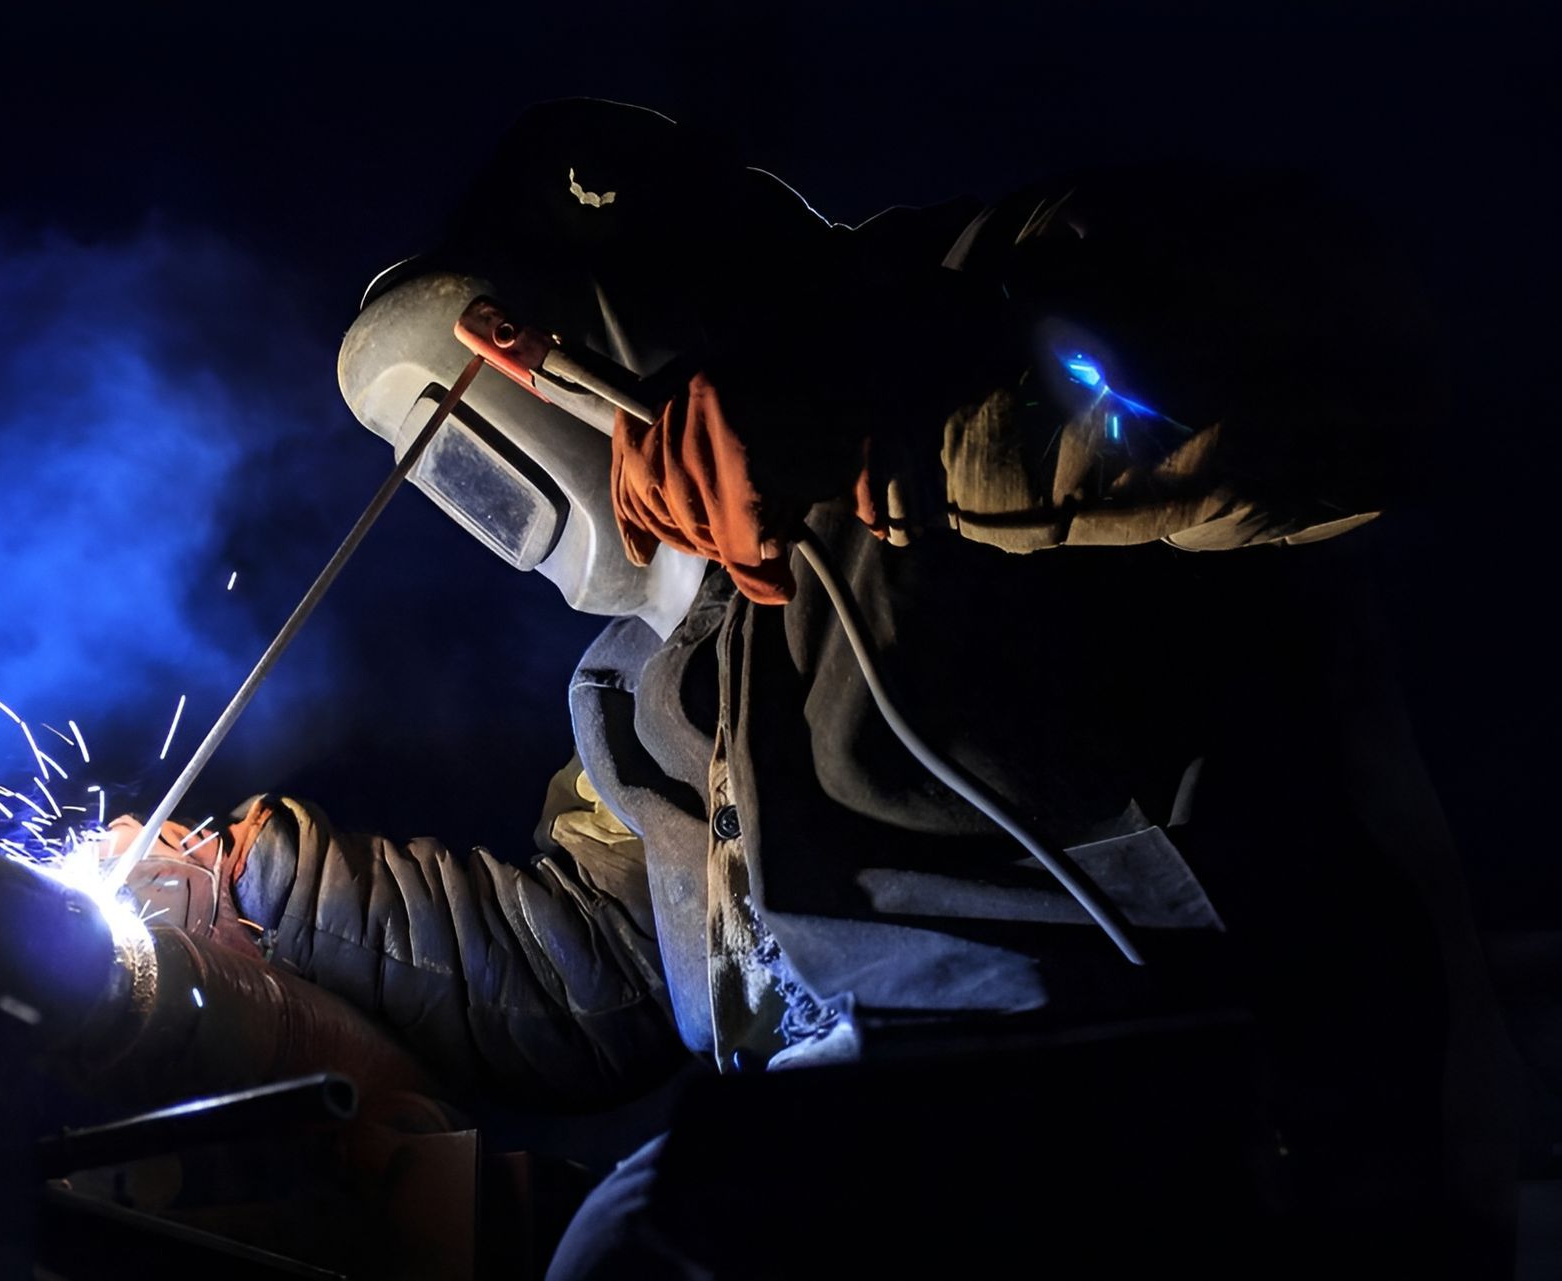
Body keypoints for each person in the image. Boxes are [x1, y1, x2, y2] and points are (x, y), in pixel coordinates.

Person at [110, 100, 1507, 1276]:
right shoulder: (653, 684)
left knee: (666, 1232)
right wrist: (261, 882)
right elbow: (585, 969)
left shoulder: (989, 290)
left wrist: (874, 415)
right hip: (833, 1161)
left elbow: (1335, 377)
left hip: (1184, 1122)